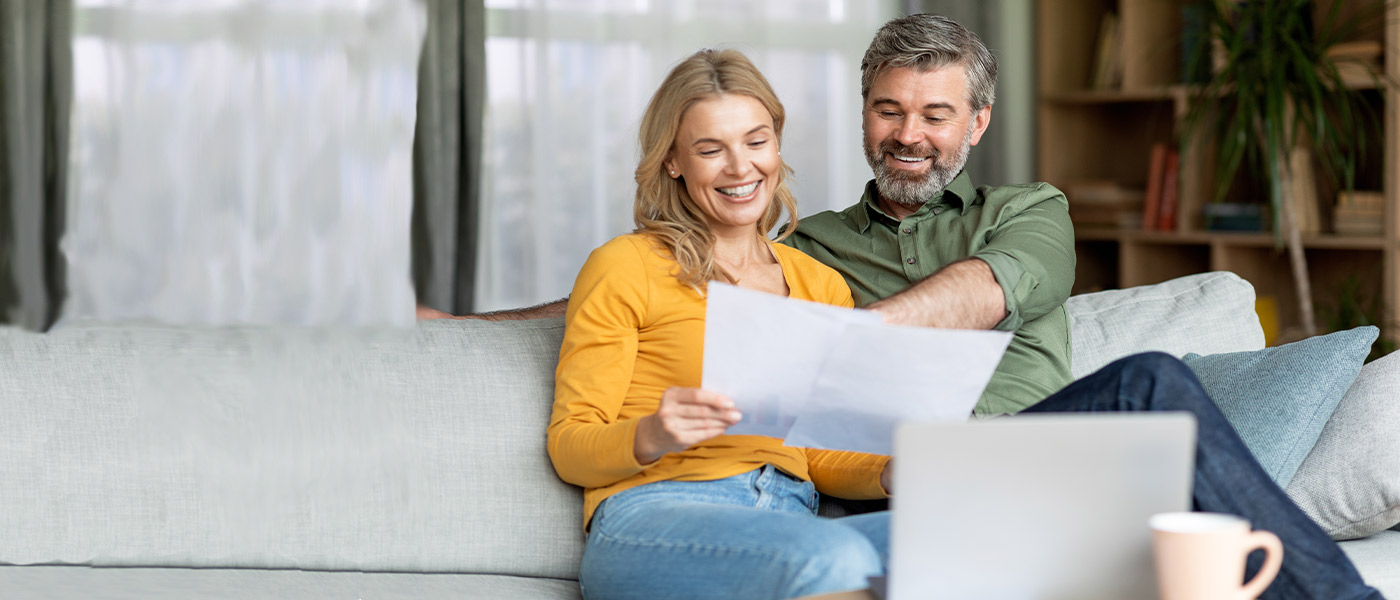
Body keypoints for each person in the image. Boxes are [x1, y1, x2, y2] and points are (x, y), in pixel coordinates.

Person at [430, 14, 1384, 600]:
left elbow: (989, 290)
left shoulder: (1020, 214)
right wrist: (466, 327)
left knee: (1152, 387)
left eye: (935, 115)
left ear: (975, 123)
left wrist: (846, 341)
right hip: (891, 478)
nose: (910, 134)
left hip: (1008, 447)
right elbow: (651, 289)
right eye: (891, 110)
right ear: (862, 117)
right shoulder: (805, 257)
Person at [549, 48, 893, 599]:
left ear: (776, 145)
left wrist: (893, 471)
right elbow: (570, 445)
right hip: (656, 517)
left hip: (788, 522)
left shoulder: (820, 284)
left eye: (756, 142)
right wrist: (653, 433)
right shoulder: (626, 264)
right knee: (837, 554)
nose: (740, 168)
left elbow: (822, 453)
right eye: (711, 150)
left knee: (958, 533)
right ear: (673, 161)